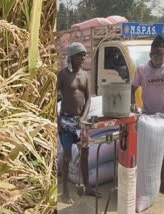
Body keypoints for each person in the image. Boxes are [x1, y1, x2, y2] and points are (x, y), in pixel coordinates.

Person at [57, 42, 99, 204]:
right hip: (66, 120)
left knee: (85, 153)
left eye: (84, 55)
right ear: (72, 57)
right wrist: (57, 121)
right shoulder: (62, 75)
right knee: (67, 156)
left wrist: (84, 117)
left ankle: (88, 187)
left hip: (81, 121)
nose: (83, 57)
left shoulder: (85, 75)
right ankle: (65, 191)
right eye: (80, 55)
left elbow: (89, 98)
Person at [130, 35, 164, 195]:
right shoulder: (142, 69)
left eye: (162, 56)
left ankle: (162, 184)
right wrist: (133, 104)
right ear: (151, 55)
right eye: (156, 56)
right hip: (147, 116)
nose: (159, 59)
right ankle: (142, 182)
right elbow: (132, 89)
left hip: (163, 116)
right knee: (145, 150)